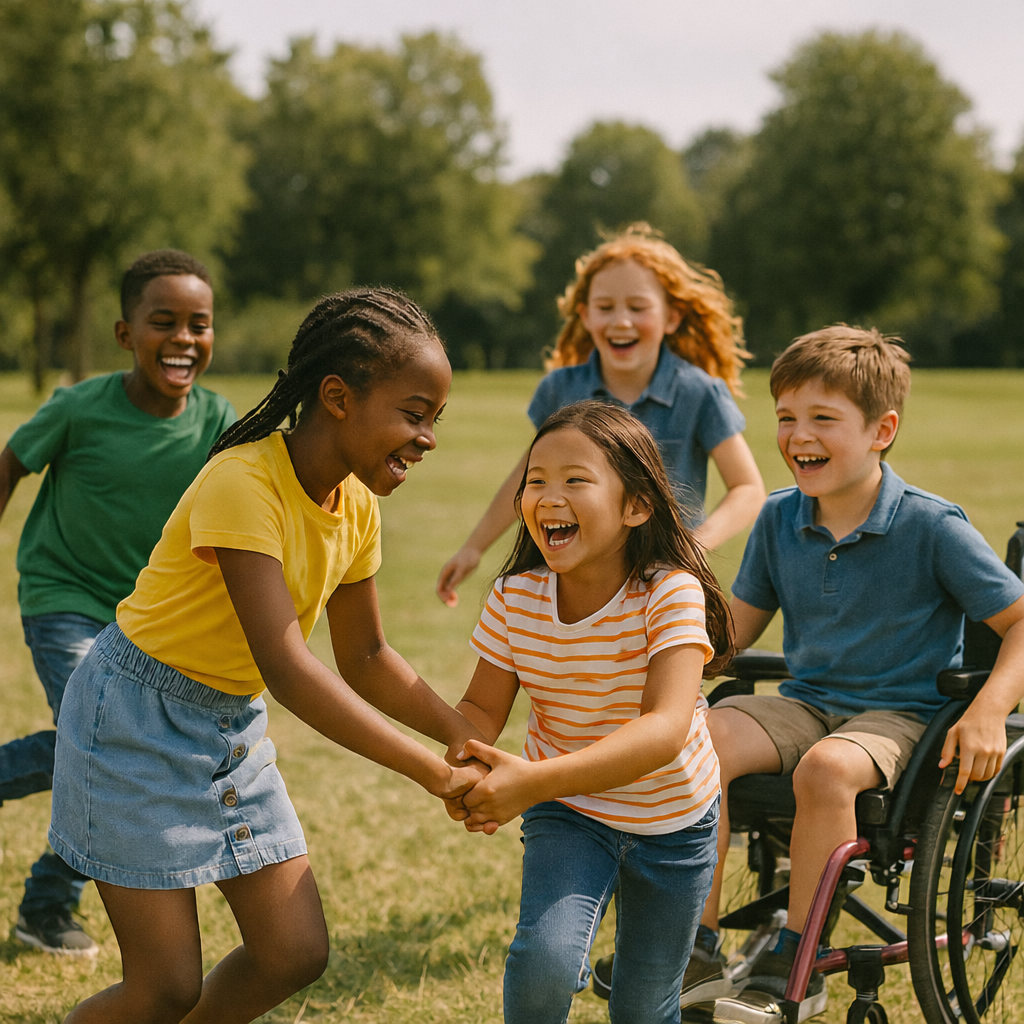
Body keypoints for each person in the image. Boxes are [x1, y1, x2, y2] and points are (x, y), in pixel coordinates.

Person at [47, 288, 489, 1024]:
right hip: (130, 723)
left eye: (434, 420)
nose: (428, 438)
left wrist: (457, 731)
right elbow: (288, 668)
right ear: (338, 397)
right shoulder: (243, 482)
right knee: (163, 988)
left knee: (293, 952)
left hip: (228, 727)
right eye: (415, 414)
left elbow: (368, 653)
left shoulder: (357, 507)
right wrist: (429, 771)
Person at [692, 327, 1024, 1021]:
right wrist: (663, 643)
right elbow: (730, 639)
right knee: (697, 738)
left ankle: (795, 958)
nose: (797, 435)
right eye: (785, 417)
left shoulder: (933, 526)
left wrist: (990, 707)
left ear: (882, 430)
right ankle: (693, 944)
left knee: (827, 769)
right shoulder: (780, 518)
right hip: (808, 700)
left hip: (901, 714)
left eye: (822, 418)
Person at [449, 400, 734, 1024]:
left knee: (644, 1007)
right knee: (545, 960)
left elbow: (664, 730)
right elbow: (478, 708)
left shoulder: (670, 592)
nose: (549, 495)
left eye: (576, 480)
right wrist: (460, 764)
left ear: (635, 506)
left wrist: (528, 783)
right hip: (570, 813)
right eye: (535, 480)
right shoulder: (514, 597)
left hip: (675, 822)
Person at [0, 249, 236, 957]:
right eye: (163, 321)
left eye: (200, 323)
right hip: (63, 595)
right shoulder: (80, 406)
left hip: (146, 619)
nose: (185, 338)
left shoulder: (215, 419)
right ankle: (46, 906)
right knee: (104, 741)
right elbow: (10, 463)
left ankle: (43, 906)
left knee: (113, 752)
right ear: (124, 333)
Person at [436, 223, 765, 608]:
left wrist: (694, 546)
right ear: (586, 316)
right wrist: (474, 547)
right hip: (574, 588)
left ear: (671, 318)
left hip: (662, 586)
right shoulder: (560, 390)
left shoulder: (698, 393)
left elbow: (748, 489)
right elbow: (526, 477)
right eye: (605, 308)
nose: (620, 321)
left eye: (638, 307)